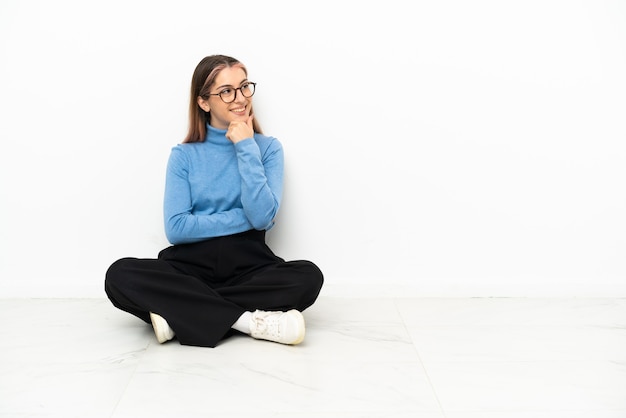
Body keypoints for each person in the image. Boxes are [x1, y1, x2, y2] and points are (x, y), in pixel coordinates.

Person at [105, 54, 324, 348]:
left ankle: (179, 314)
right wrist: (242, 218)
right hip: (191, 267)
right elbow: (177, 228)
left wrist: (246, 145)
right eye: (226, 91)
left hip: (249, 265)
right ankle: (249, 322)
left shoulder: (267, 148)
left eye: (245, 86)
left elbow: (261, 218)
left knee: (308, 277)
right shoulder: (183, 155)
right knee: (119, 275)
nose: (240, 98)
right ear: (204, 102)